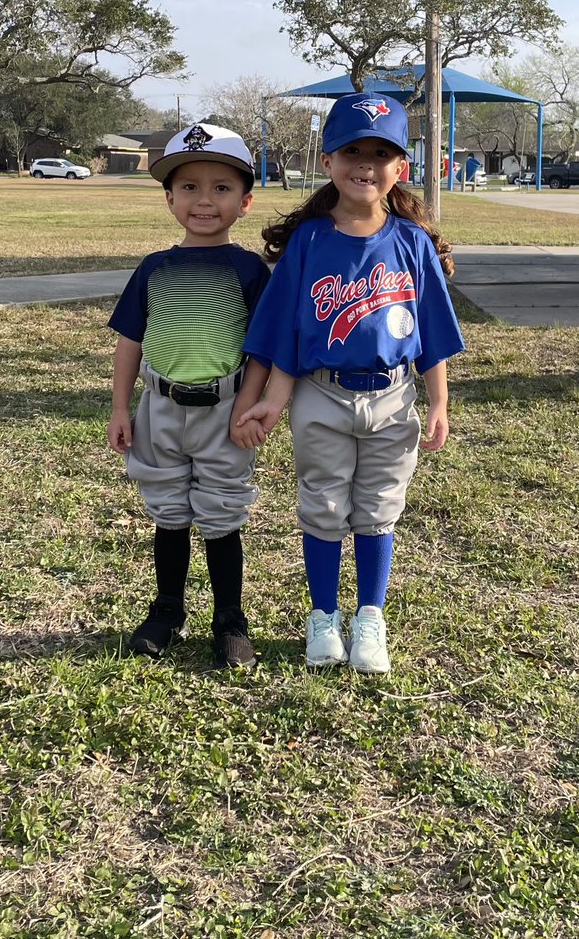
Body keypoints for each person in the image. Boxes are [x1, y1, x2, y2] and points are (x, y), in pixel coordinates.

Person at [232, 93, 465, 675]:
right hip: (321, 393)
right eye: (351, 150)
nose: (365, 163)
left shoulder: (411, 242)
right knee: (324, 505)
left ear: (400, 168)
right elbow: (288, 331)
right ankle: (322, 616)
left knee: (379, 508)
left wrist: (438, 400)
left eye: (381, 152)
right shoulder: (310, 240)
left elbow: (431, 329)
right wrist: (271, 401)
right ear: (329, 161)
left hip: (393, 395)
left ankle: (370, 617)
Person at [107, 123, 271, 668]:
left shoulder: (250, 270)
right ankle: (166, 611)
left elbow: (263, 349)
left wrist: (248, 405)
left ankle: (230, 619)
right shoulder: (154, 267)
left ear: (245, 202)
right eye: (190, 188)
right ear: (169, 199)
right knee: (169, 510)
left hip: (225, 409)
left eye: (222, 188)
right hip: (159, 407)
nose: (205, 200)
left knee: (222, 513)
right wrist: (120, 408)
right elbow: (132, 339)